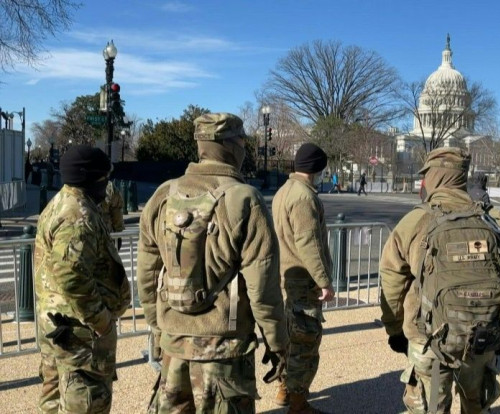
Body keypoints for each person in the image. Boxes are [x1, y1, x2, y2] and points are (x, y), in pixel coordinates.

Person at [137, 113, 288, 413]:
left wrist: (159, 327)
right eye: (243, 141)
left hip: (173, 343)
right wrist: (277, 341)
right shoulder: (244, 199)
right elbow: (263, 286)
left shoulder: (163, 195)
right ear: (231, 146)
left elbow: (147, 274)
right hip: (225, 350)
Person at [380, 147, 500, 414]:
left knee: (434, 406)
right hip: (481, 341)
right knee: (476, 405)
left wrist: (394, 329)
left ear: (433, 177)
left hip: (431, 344)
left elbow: (391, 281)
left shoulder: (415, 221)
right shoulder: (493, 221)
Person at [34, 144, 131, 414]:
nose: (107, 187)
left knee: (54, 402)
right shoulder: (79, 215)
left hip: (59, 328)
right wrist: (101, 322)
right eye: (105, 179)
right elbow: (71, 275)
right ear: (93, 179)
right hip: (80, 338)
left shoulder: (59, 204)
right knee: (84, 402)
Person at [271, 143, 335, 413]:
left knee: (291, 339)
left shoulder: (283, 192)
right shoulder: (304, 197)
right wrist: (324, 282)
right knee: (305, 346)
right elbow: (309, 243)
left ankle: (284, 390)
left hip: (286, 276)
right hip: (303, 282)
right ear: (317, 168)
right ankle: (298, 404)